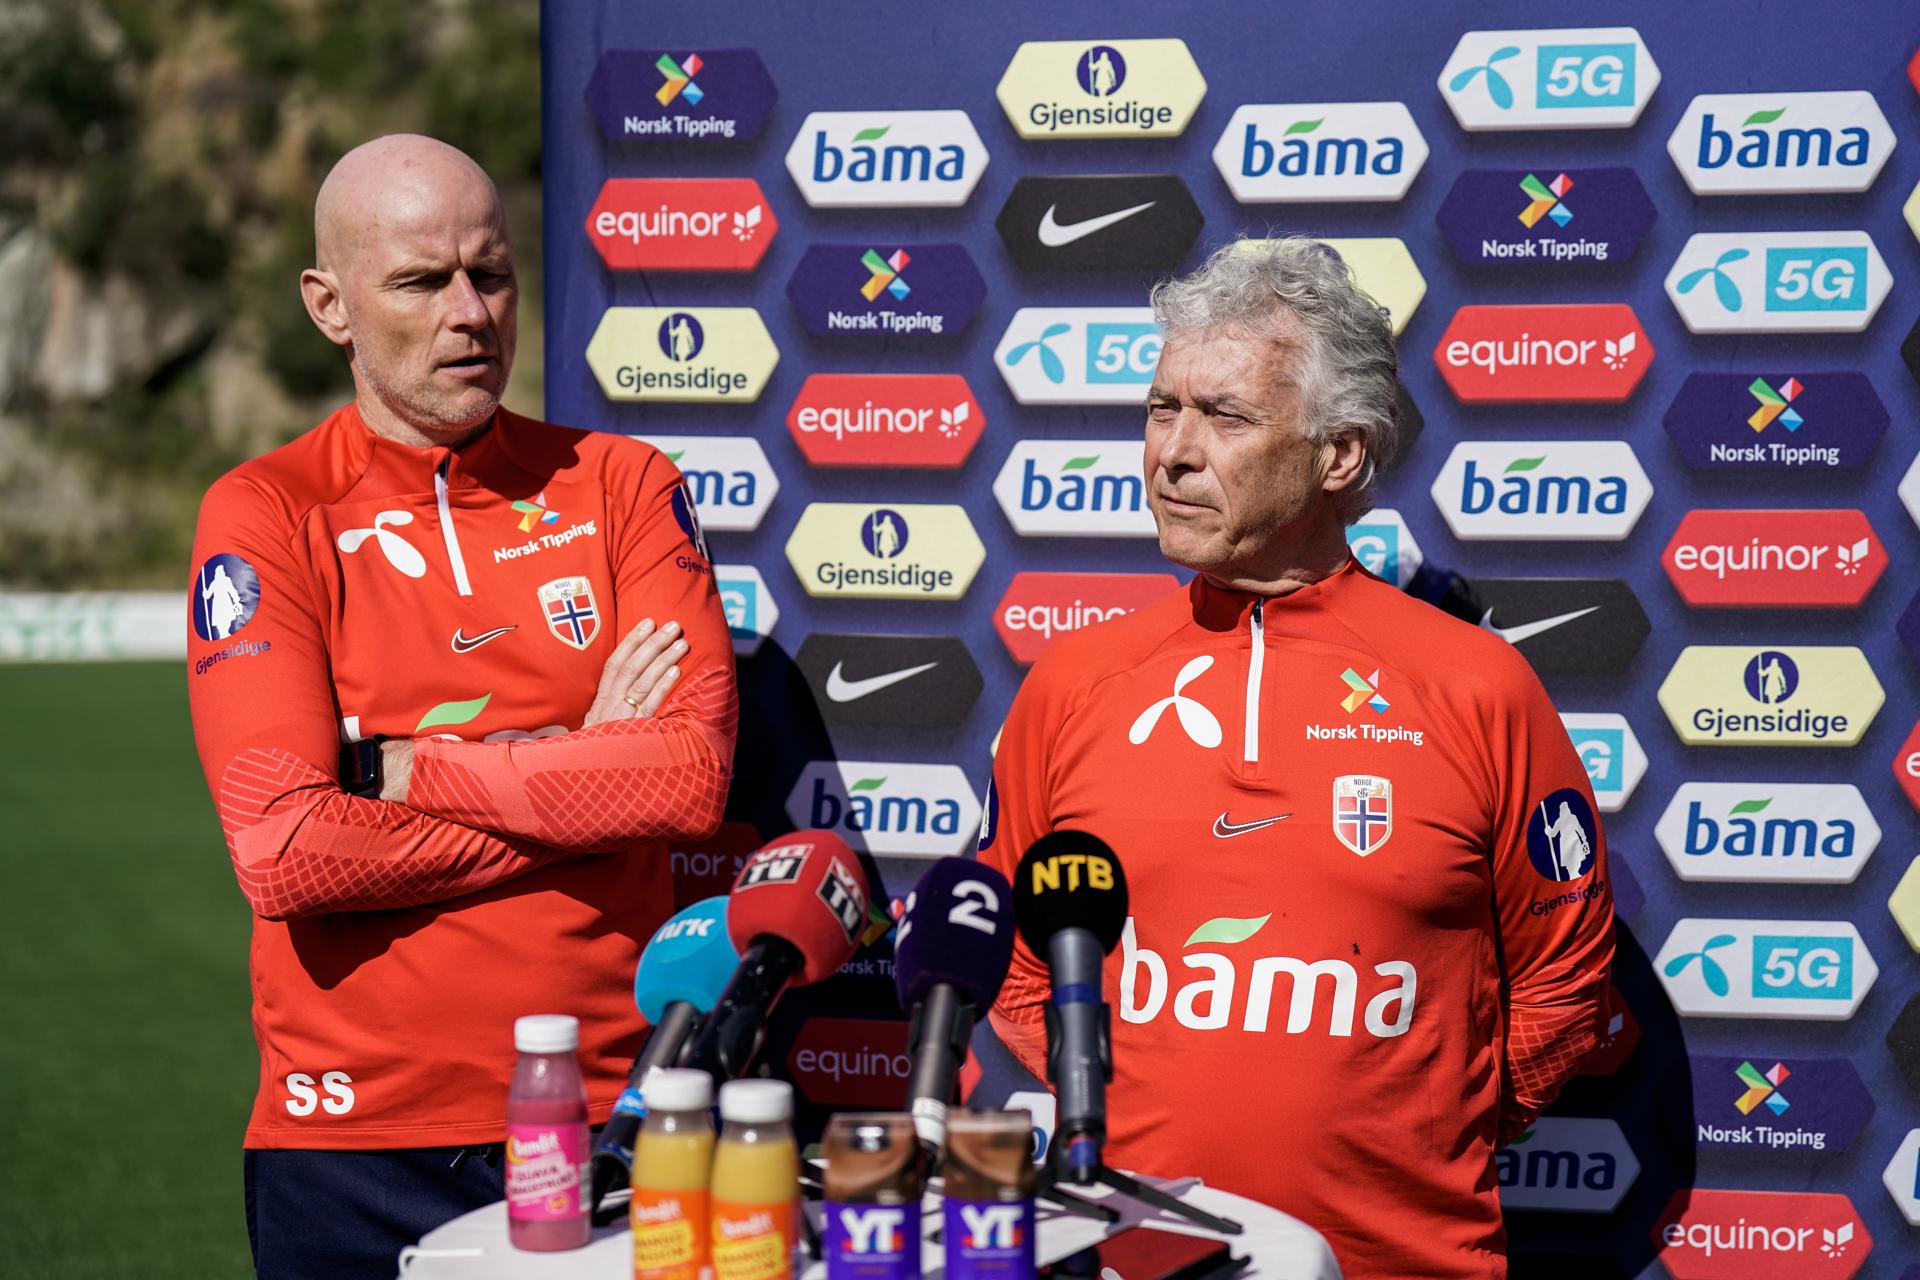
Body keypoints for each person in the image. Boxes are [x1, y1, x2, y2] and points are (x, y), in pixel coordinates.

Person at [978, 237, 1614, 1280]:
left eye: (1223, 415)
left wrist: (1411, 1124)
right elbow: (1015, 962)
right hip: (1130, 1256)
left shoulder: (1479, 686)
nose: (1173, 451)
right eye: (1160, 407)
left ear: (1341, 454)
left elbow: (1562, 980)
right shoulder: (1073, 681)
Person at [184, 134, 737, 1278]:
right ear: (329, 305)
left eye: (490, 274)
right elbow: (286, 847)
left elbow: (683, 778)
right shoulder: (265, 512)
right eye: (420, 281)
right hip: (353, 1143)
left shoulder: (624, 483)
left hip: (617, 1115)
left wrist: (402, 768)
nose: (470, 312)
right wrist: (587, 767)